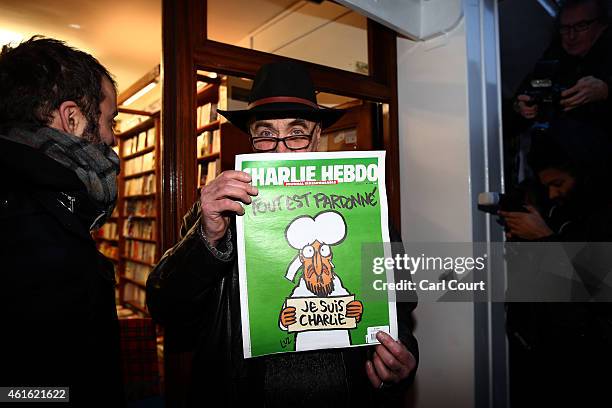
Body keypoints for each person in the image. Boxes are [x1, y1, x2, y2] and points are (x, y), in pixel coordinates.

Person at [146, 61, 418, 407]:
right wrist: (208, 237)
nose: (280, 149)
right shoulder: (215, 213)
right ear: (252, 139)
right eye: (266, 134)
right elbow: (168, 310)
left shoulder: (365, 207)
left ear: (317, 136)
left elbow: (401, 310)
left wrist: (402, 358)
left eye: (296, 132)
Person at [0, 37, 123, 406]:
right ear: (72, 118)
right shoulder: (34, 229)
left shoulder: (42, 201)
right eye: (109, 120)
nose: (112, 137)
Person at [500, 119, 612, 406]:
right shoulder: (566, 211)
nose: (552, 194)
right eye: (547, 186)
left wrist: (545, 240)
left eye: (558, 183)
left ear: (586, 173)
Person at [514, 0, 611, 129]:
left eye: (581, 25)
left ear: (602, 26)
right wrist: (521, 104)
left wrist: (606, 90)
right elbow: (535, 83)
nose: (571, 36)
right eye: (565, 28)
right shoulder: (555, 53)